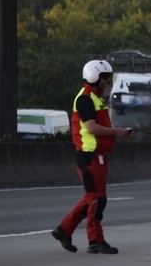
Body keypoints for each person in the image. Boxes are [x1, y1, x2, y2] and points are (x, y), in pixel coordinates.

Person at [52, 59, 133, 254]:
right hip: (89, 156)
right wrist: (116, 132)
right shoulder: (86, 99)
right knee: (96, 199)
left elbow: (100, 127)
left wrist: (118, 131)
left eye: (109, 77)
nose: (108, 81)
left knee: (95, 199)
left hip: (99, 156)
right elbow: (91, 128)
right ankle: (94, 239)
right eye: (105, 77)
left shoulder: (97, 98)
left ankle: (64, 230)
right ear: (94, 76)